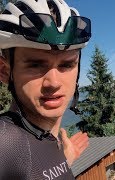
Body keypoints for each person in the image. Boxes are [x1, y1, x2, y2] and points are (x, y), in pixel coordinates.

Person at [0, 0, 91, 179]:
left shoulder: (46, 142)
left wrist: (63, 161)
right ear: (4, 71)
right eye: (35, 64)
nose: (53, 82)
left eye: (67, 64)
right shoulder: (5, 143)